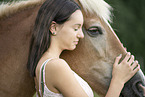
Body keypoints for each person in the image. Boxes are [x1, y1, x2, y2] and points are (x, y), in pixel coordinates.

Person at [27, 0, 140, 97]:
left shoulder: (42, 63)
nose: (81, 35)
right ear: (54, 28)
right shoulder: (56, 66)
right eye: (76, 28)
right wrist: (118, 80)